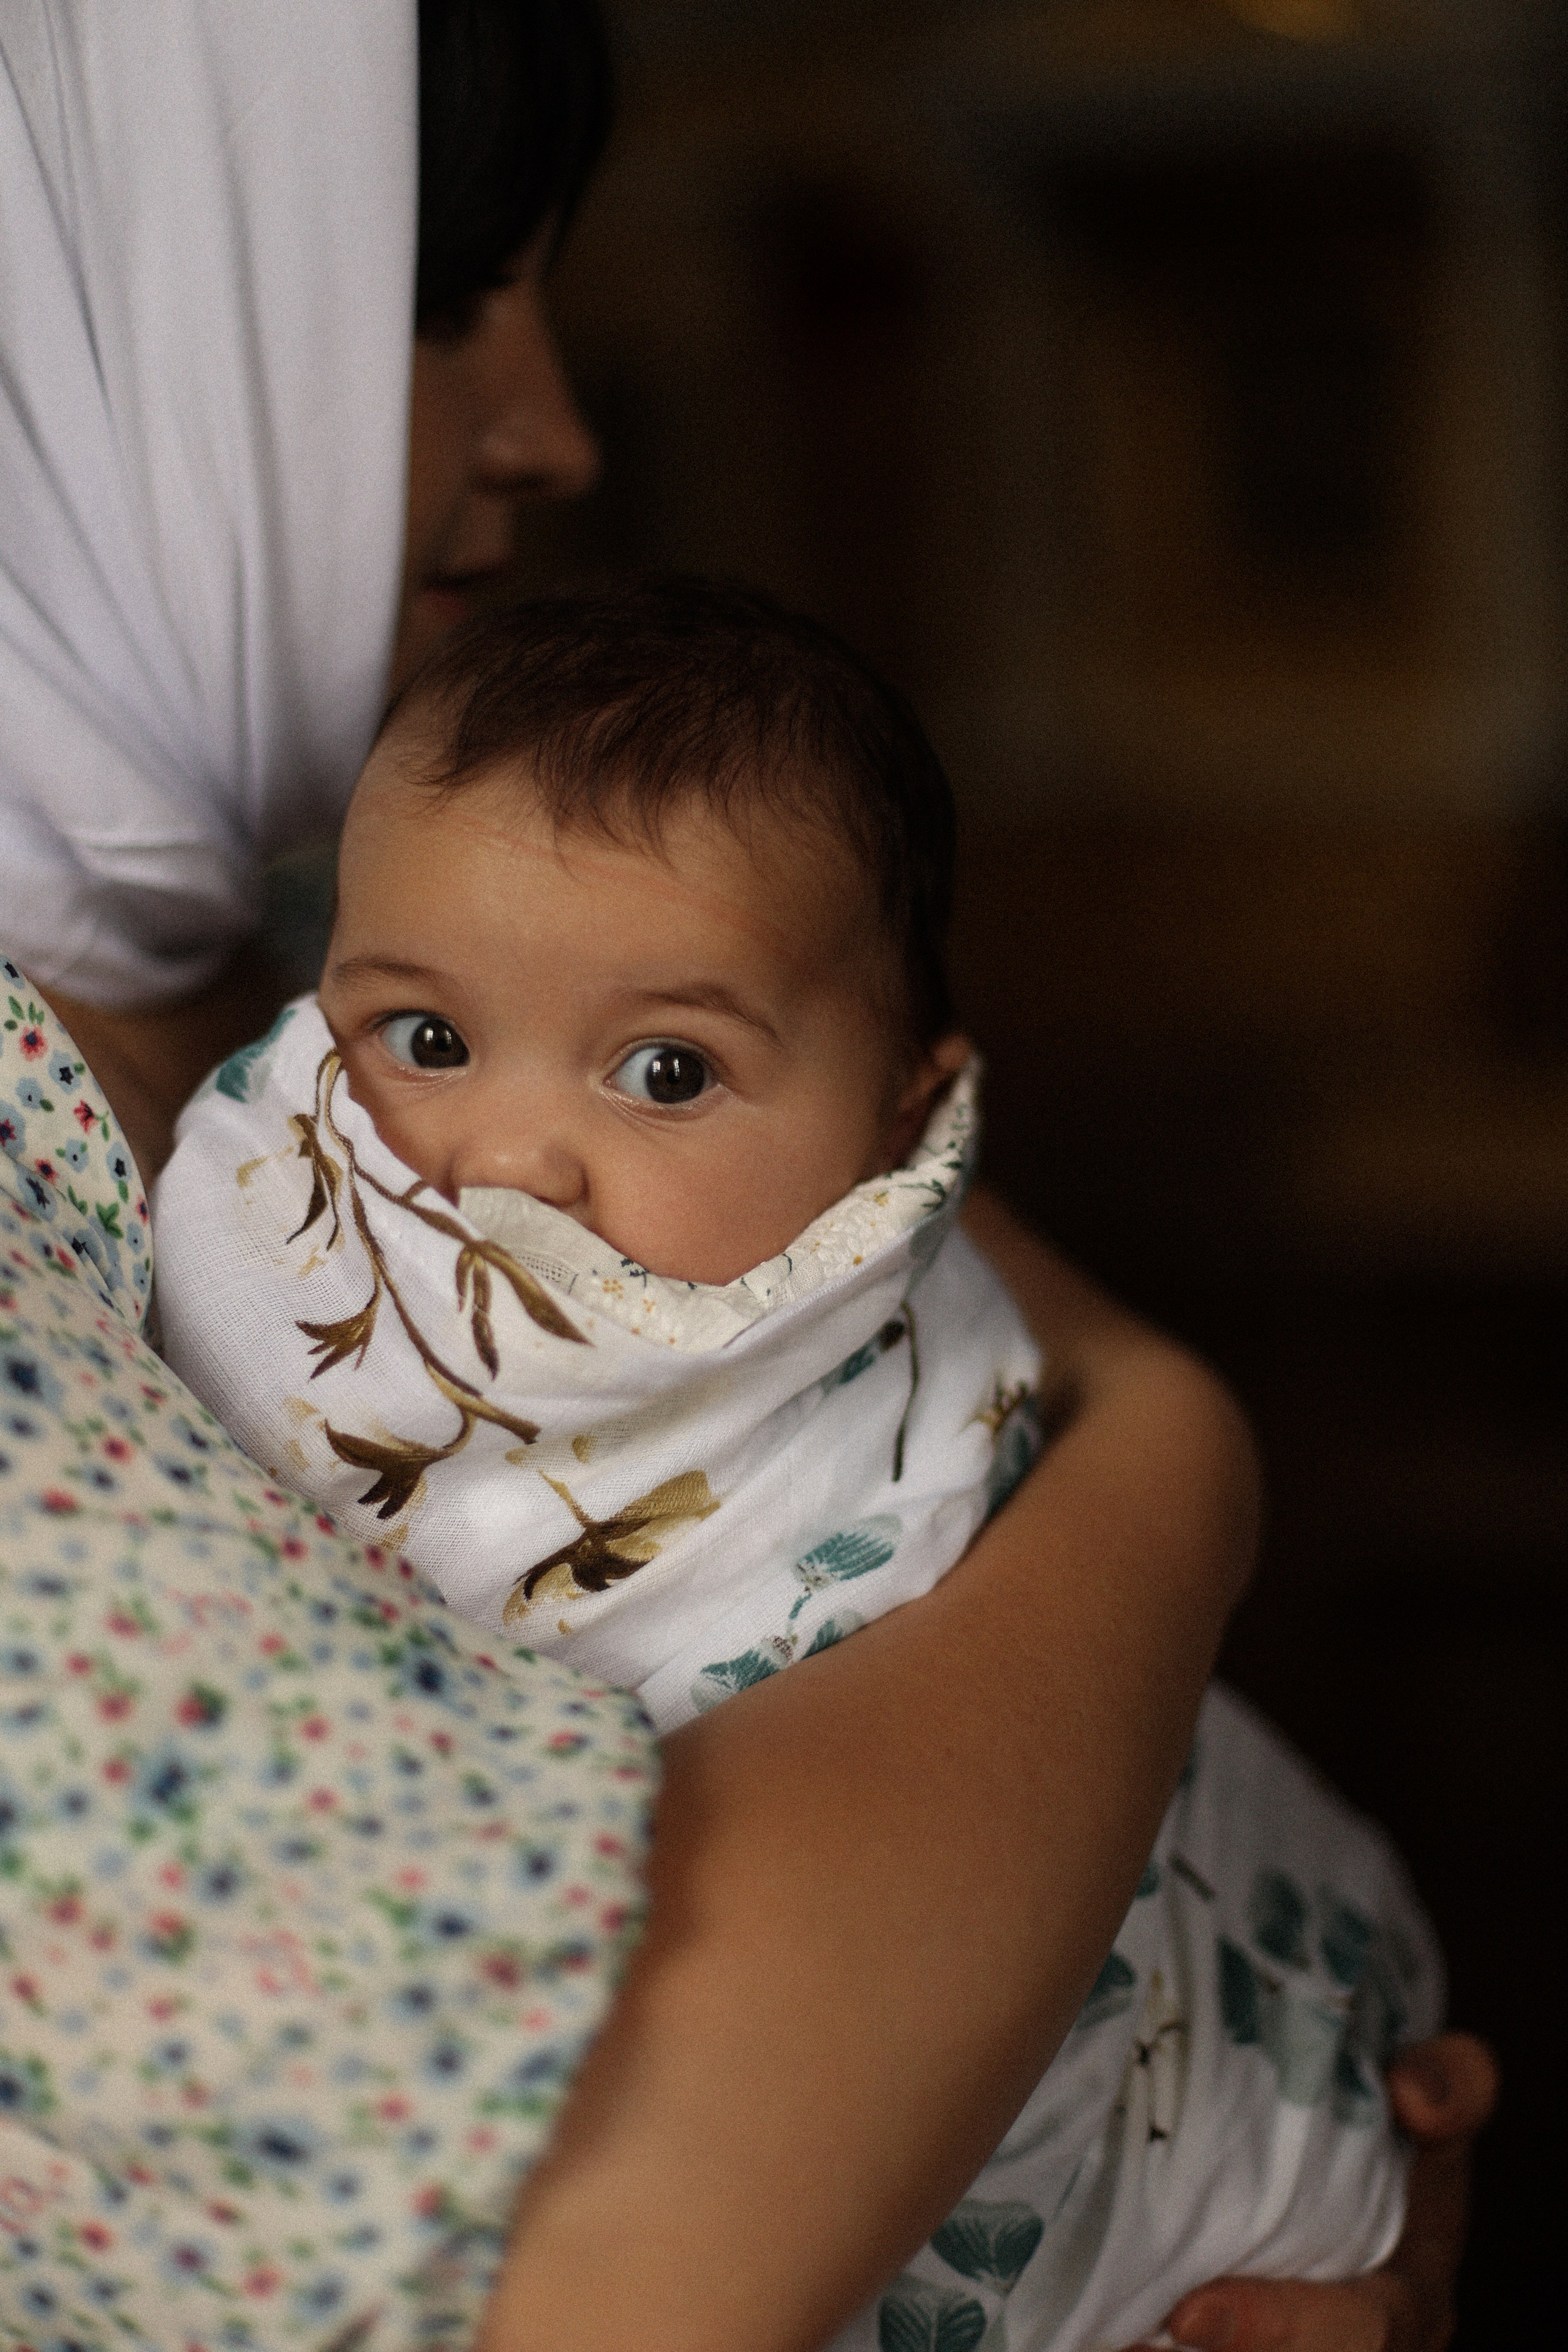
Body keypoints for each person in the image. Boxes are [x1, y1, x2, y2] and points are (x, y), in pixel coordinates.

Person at [0, 6, 1492, 2350]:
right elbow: (637, 2265)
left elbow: (912, 1296)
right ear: (77, 300)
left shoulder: (316, 915)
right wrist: (1186, 1462)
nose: (553, 425)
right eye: (434, 289)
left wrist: (1238, 2143)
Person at [155, 578, 1449, 2352]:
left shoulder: (913, 1348)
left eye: (666, 1071)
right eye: (429, 1040)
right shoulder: (261, 1188)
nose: (513, 1159)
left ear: (906, 1118)